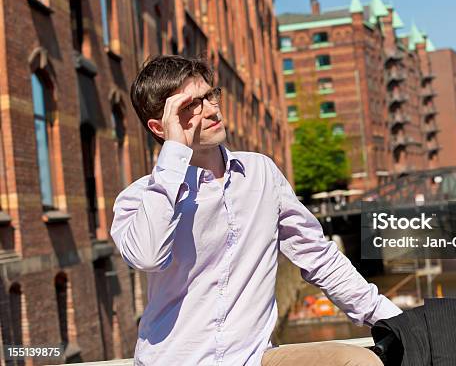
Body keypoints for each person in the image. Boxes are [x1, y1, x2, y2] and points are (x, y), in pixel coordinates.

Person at [110, 54, 402, 366]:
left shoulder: (260, 173)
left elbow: (318, 256)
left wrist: (393, 321)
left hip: (252, 358)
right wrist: (174, 155)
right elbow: (147, 256)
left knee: (361, 362)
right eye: (190, 106)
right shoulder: (139, 198)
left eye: (210, 96)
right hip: (174, 360)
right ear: (159, 126)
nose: (210, 110)